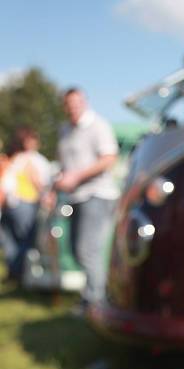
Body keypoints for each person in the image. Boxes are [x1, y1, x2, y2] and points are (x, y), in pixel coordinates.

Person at [53, 87, 118, 306]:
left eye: (77, 103)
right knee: (74, 248)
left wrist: (77, 176)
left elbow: (109, 158)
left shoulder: (98, 126)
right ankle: (96, 292)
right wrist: (57, 186)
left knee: (88, 249)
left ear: (84, 103)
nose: (73, 108)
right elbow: (64, 165)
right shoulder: (64, 131)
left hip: (98, 194)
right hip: (75, 197)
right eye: (69, 105)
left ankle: (96, 300)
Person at [1, 127, 51, 281]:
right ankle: (15, 271)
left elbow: (39, 183)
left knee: (24, 240)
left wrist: (45, 197)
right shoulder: (18, 158)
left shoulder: (35, 160)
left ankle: (21, 273)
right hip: (11, 204)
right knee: (9, 240)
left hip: (25, 203)